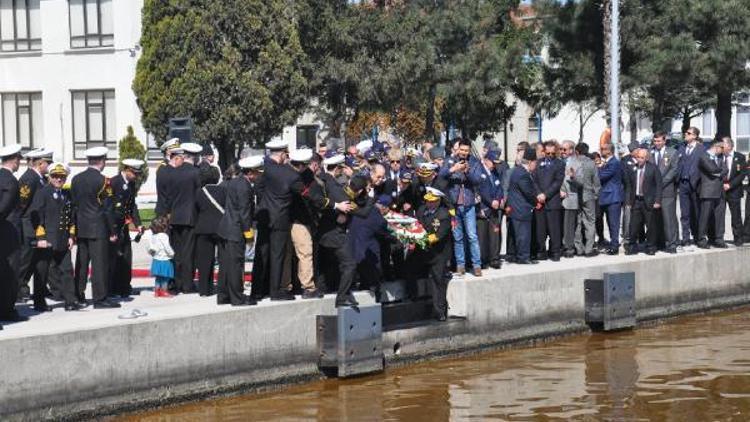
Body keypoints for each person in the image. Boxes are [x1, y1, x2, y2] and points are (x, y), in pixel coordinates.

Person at [256, 139, 306, 301]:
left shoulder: (263, 168)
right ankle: (275, 290)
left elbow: (258, 188)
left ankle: (257, 290)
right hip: (281, 218)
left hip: (264, 216)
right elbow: (304, 193)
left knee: (261, 253)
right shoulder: (289, 173)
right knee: (277, 255)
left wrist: (267, 203)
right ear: (283, 154)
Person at [29, 162, 82, 312]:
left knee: (67, 271)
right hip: (47, 240)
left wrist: (72, 236)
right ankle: (39, 303)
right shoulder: (43, 193)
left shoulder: (67, 194)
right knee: (42, 272)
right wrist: (41, 238)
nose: (59, 179)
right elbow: (36, 217)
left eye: (62, 177)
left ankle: (70, 301)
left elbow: (71, 217)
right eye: (55, 176)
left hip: (63, 240)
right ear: (50, 177)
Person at [71, 146, 119, 308]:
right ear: (102, 161)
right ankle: (100, 298)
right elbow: (108, 209)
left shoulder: (76, 179)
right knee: (99, 265)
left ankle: (78, 295)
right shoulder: (104, 181)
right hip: (98, 228)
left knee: (82, 264)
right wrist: (113, 230)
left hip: (81, 227)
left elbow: (74, 204)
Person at [217, 155, 264, 306]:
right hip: (236, 230)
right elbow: (244, 214)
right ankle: (237, 298)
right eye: (258, 173)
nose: (259, 176)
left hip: (225, 228)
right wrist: (249, 235)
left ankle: (223, 296)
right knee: (236, 265)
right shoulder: (245, 187)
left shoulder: (234, 182)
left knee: (225, 265)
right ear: (250, 173)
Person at [405, 187, 452, 321]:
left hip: (438, 253)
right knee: (409, 265)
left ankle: (440, 311)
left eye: (432, 201)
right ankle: (412, 295)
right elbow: (417, 225)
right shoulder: (421, 211)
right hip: (423, 250)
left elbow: (439, 235)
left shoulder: (444, 214)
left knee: (438, 281)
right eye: (427, 201)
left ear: (438, 201)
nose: (429, 204)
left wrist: (423, 239)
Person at [440, 138, 483, 276]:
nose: (463, 153)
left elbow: (477, 180)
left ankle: (476, 265)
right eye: (462, 150)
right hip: (454, 203)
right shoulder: (450, 160)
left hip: (468, 203)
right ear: (458, 149)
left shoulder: (475, 162)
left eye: (466, 150)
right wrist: (454, 169)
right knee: (457, 237)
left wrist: (467, 171)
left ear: (469, 150)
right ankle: (460, 265)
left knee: (472, 235)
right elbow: (441, 175)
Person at [15, 147, 53, 302]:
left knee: (36, 261)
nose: (50, 167)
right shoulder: (29, 178)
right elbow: (22, 203)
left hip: (36, 224)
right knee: (25, 261)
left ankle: (33, 289)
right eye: (48, 163)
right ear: (41, 163)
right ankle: (16, 291)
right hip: (27, 224)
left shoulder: (39, 178)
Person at [289, 148, 327, 299]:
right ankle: (308, 287)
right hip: (300, 221)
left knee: (297, 255)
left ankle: (296, 285)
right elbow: (310, 199)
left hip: (297, 220)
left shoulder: (296, 176)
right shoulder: (300, 179)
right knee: (305, 253)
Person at [164, 146, 201, 294]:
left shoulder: (171, 173)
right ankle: (187, 284)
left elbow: (167, 196)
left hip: (174, 216)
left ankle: (176, 283)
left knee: (176, 251)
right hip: (190, 217)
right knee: (188, 252)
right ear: (195, 157)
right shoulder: (195, 173)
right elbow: (199, 196)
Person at [0, 144, 30, 324]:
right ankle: (7, 311)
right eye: (19, 159)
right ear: (15, 160)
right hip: (9, 232)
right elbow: (4, 208)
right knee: (11, 273)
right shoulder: (11, 181)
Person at [348, 194, 397, 299]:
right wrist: (398, 236)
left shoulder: (362, 210)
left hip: (353, 251)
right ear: (384, 207)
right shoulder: (379, 219)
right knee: (374, 286)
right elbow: (386, 235)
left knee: (363, 283)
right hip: (368, 256)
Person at [109, 159, 145, 297]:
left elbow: (132, 205)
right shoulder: (114, 182)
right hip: (114, 226)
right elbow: (109, 207)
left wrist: (138, 223)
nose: (136, 176)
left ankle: (125, 286)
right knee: (114, 258)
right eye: (134, 173)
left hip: (123, 226)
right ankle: (112, 288)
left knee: (126, 256)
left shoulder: (131, 184)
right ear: (127, 170)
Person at [194, 161, 225, 296]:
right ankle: (223, 287)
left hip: (203, 228)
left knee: (204, 261)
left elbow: (195, 210)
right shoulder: (224, 190)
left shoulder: (199, 193)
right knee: (223, 260)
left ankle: (204, 289)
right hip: (221, 228)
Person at [625, 149, 663, 255]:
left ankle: (651, 246)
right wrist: (628, 200)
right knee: (633, 225)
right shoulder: (633, 168)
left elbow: (659, 186)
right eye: (638, 157)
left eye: (642, 158)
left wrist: (657, 200)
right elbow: (629, 186)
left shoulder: (653, 169)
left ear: (646, 158)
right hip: (636, 200)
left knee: (650, 225)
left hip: (649, 201)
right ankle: (632, 246)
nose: (640, 160)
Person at [506, 147, 539, 264]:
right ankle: (523, 257)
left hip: (517, 208)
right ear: (530, 162)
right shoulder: (522, 174)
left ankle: (518, 255)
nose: (536, 165)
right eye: (536, 162)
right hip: (521, 208)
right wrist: (536, 201)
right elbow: (528, 192)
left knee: (519, 234)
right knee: (523, 235)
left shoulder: (519, 171)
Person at [534, 141, 565, 261]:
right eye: (548, 153)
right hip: (540, 201)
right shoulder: (538, 163)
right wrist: (539, 194)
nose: (550, 155)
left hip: (552, 200)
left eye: (553, 153)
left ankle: (555, 252)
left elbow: (558, 182)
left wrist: (546, 195)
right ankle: (541, 251)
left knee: (554, 229)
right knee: (540, 229)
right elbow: (534, 180)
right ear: (544, 152)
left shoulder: (560, 164)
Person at [650, 132, 680, 253]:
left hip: (666, 190)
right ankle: (658, 242)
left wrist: (660, 183)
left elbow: (674, 170)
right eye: (655, 141)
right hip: (652, 191)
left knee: (668, 219)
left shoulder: (672, 152)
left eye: (659, 141)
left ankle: (671, 244)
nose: (656, 143)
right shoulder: (650, 152)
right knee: (655, 219)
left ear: (664, 141)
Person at [696, 140, 728, 249]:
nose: (723, 151)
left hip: (720, 192)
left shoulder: (719, 158)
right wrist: (718, 172)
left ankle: (719, 239)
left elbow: (725, 170)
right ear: (716, 147)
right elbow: (711, 169)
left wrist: (718, 172)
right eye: (722, 148)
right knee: (705, 216)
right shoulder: (704, 157)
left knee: (719, 217)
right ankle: (701, 239)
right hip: (708, 191)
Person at [476, 150, 504, 269]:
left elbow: (499, 188)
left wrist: (497, 199)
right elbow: (481, 190)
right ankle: (483, 259)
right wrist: (490, 201)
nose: (495, 165)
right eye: (493, 162)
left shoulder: (495, 173)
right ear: (486, 160)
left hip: (494, 209)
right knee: (482, 236)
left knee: (494, 234)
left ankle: (494, 258)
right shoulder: (480, 172)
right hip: (483, 208)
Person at [678, 127, 704, 247]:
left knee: (697, 212)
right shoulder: (682, 148)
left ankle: (699, 237)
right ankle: (685, 238)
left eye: (688, 133)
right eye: (686, 132)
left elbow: (704, 167)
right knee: (685, 213)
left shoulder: (701, 149)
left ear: (694, 136)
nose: (686, 134)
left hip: (695, 184)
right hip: (683, 184)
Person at [597, 143, 624, 255]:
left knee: (613, 223)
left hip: (612, 197)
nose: (601, 151)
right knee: (604, 221)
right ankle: (605, 241)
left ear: (609, 151)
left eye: (603, 149)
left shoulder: (614, 163)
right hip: (605, 197)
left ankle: (614, 246)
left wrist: (597, 168)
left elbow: (601, 176)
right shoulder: (607, 163)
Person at [721, 137, 746, 246]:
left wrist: (730, 185)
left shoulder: (739, 157)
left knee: (736, 216)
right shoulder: (719, 156)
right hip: (720, 190)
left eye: (723, 145)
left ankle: (738, 238)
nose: (721, 147)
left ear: (730, 146)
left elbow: (742, 174)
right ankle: (719, 238)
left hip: (734, 191)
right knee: (719, 215)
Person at [148, 217, 175, 298]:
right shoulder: (164, 236)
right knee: (165, 277)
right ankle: (164, 291)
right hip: (164, 259)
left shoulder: (153, 236)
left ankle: (157, 291)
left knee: (158, 277)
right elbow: (167, 246)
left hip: (156, 259)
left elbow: (151, 247)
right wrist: (172, 253)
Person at [154, 138, 180, 217]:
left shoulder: (177, 166)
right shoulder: (163, 167)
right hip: (165, 210)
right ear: (168, 151)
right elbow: (165, 191)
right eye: (176, 151)